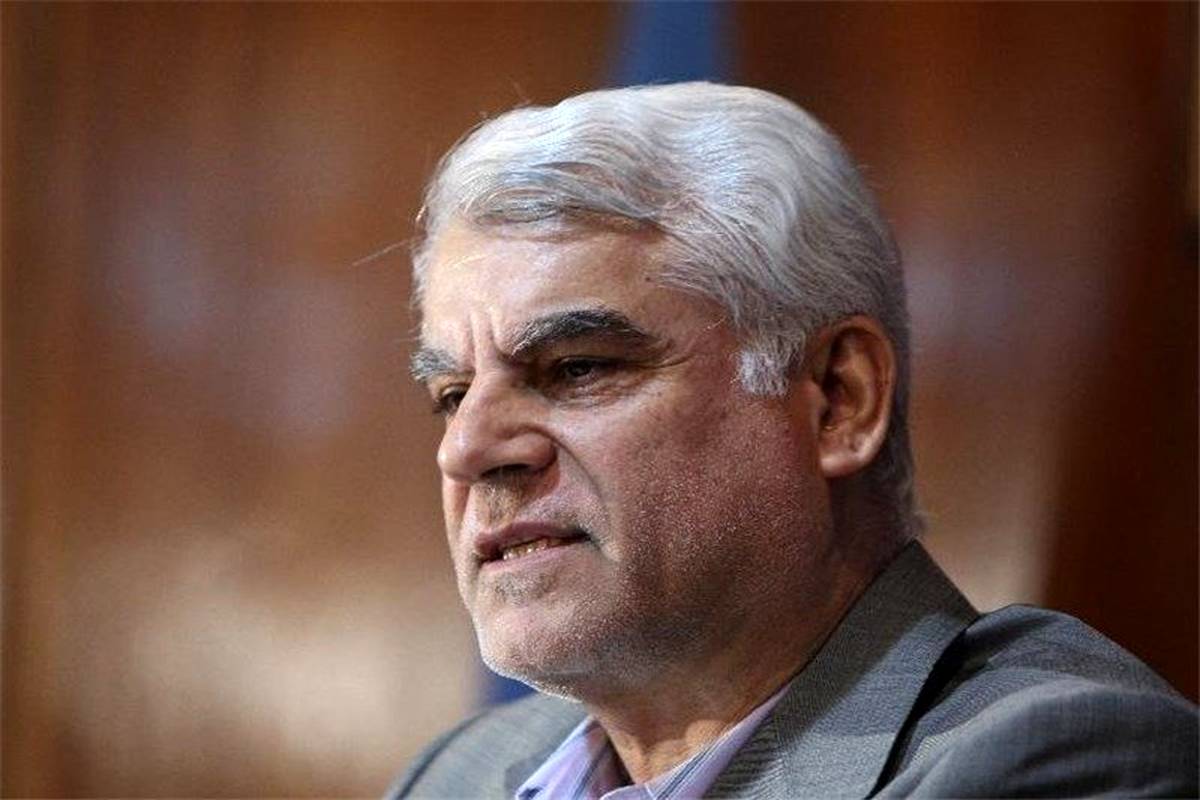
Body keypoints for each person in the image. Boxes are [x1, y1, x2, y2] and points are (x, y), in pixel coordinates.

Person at [389, 82, 1197, 798]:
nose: (466, 450)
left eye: (578, 367)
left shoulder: (1056, 761)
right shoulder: (457, 776)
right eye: (452, 395)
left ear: (839, 401)